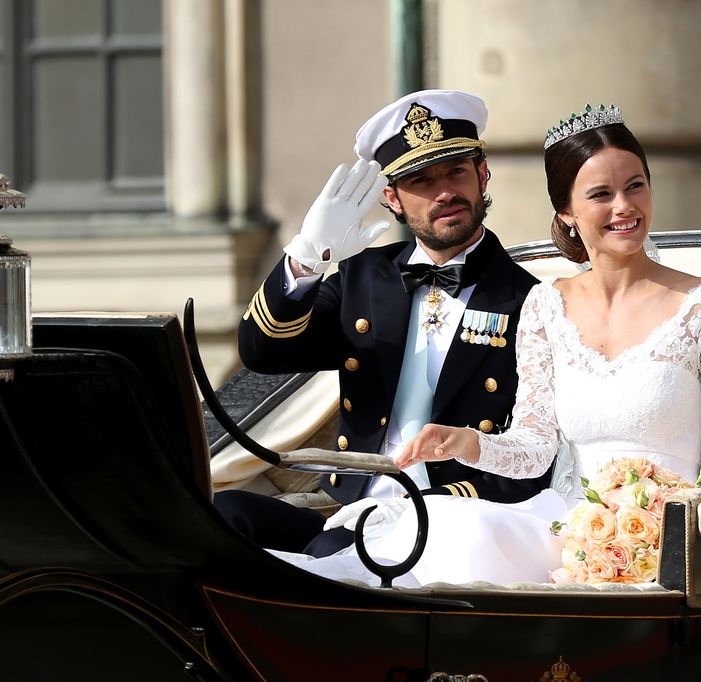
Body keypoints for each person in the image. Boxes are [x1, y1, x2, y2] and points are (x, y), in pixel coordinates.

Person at [299, 104, 701, 587]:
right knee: (444, 527)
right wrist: (468, 443)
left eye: (635, 186)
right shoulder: (545, 304)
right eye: (601, 194)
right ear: (567, 212)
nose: (624, 207)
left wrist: (662, 520)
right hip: (562, 523)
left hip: (668, 536)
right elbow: (536, 448)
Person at [214, 89, 550, 557]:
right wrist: (306, 259)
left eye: (456, 171)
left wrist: (429, 505)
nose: (445, 192)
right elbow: (264, 353)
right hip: (349, 506)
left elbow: (535, 455)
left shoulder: (530, 299)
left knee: (324, 562)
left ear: (482, 174)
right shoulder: (363, 276)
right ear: (391, 198)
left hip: (451, 515)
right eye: (420, 180)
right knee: (222, 515)